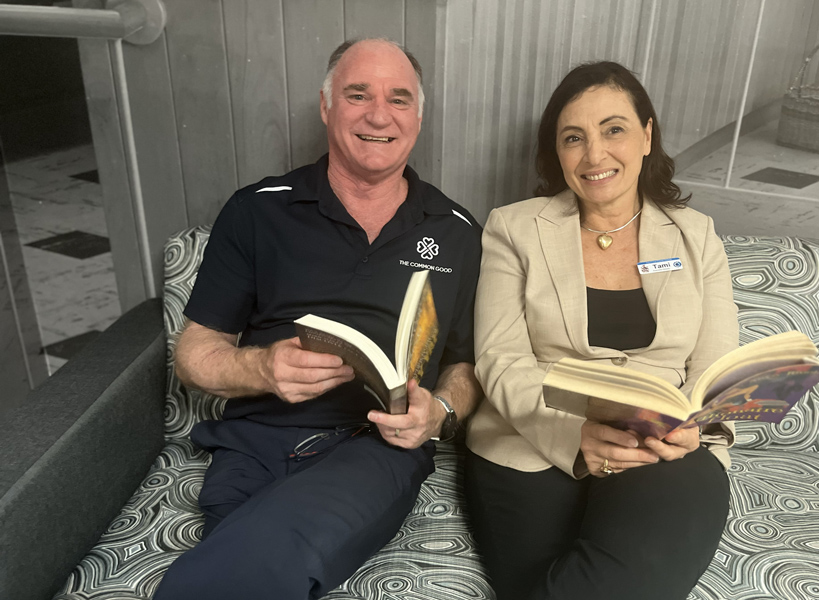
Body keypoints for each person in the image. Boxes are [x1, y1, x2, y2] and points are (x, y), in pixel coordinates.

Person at [154, 38, 482, 600]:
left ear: (418, 118)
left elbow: (468, 365)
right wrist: (261, 369)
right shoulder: (257, 209)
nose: (379, 114)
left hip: (375, 446)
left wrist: (442, 411)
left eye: (399, 99)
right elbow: (193, 354)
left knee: (257, 559)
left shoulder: (456, 231)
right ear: (327, 106)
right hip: (253, 443)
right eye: (359, 95)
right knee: (253, 563)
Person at [464, 61, 739, 600]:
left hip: (662, 451)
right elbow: (500, 359)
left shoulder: (696, 235)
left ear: (646, 135)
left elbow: (714, 366)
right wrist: (575, 437)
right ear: (557, 154)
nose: (594, 155)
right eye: (574, 138)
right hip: (534, 443)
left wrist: (696, 426)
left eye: (613, 129)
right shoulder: (514, 228)